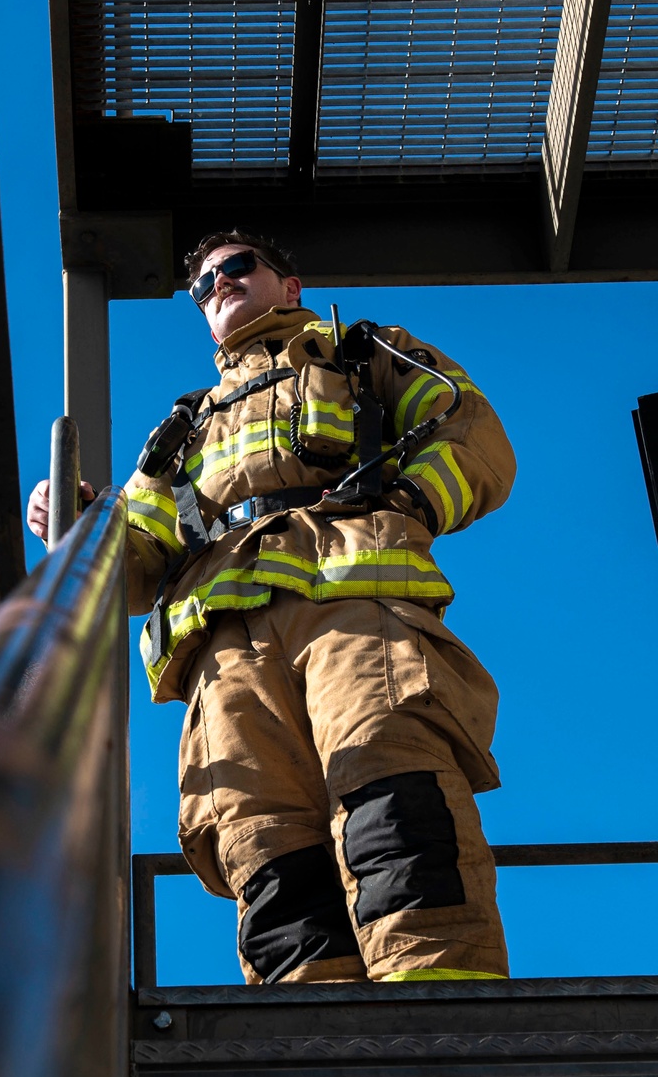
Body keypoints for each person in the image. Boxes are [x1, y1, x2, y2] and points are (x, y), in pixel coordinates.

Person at [28, 231, 516, 985]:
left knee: (390, 787)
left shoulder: (360, 352)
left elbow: (473, 434)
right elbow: (135, 571)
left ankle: (444, 1012)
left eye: (236, 268)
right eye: (201, 286)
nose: (217, 285)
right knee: (262, 838)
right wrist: (88, 520)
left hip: (351, 603)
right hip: (224, 652)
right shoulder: (182, 433)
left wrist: (408, 501)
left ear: (288, 287)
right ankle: (312, 1040)